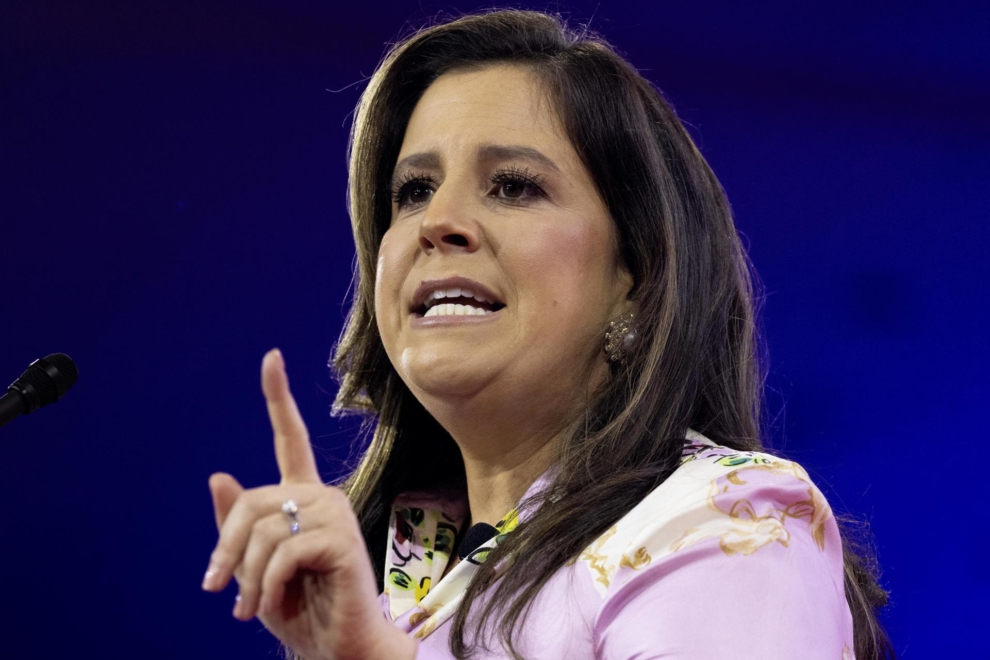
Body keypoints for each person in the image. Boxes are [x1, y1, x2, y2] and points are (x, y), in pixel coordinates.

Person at [202, 10, 893, 660]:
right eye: (412, 190)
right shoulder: (400, 572)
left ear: (637, 276)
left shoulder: (721, 522)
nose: (437, 222)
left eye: (511, 186)